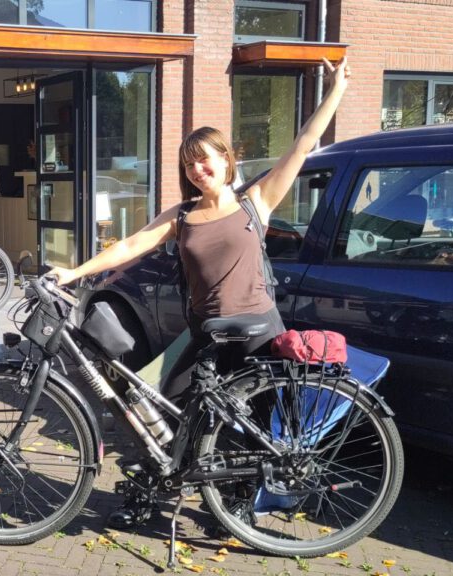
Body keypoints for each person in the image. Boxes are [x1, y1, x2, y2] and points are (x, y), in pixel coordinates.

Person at [48, 58, 350, 527]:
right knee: (164, 406)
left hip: (257, 332)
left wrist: (334, 91)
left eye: (204, 158)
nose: (197, 169)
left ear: (227, 159)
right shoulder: (182, 215)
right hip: (207, 333)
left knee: (256, 425)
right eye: (189, 163)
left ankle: (240, 505)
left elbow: (303, 144)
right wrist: (73, 272)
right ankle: (163, 487)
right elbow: (130, 245)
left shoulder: (256, 201)